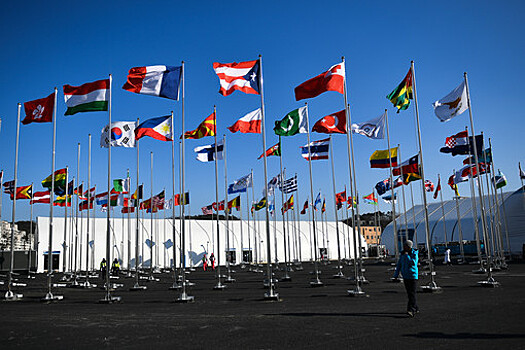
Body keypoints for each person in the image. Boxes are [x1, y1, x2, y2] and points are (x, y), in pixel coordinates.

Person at [393, 240, 419, 317]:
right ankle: (415, 307)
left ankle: (411, 310)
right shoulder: (402, 254)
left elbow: (413, 263)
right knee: (410, 294)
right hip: (406, 276)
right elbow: (399, 265)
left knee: (412, 293)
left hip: (412, 276)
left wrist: (407, 256)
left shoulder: (414, 254)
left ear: (409, 247)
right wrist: (395, 275)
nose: (404, 247)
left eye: (405, 246)